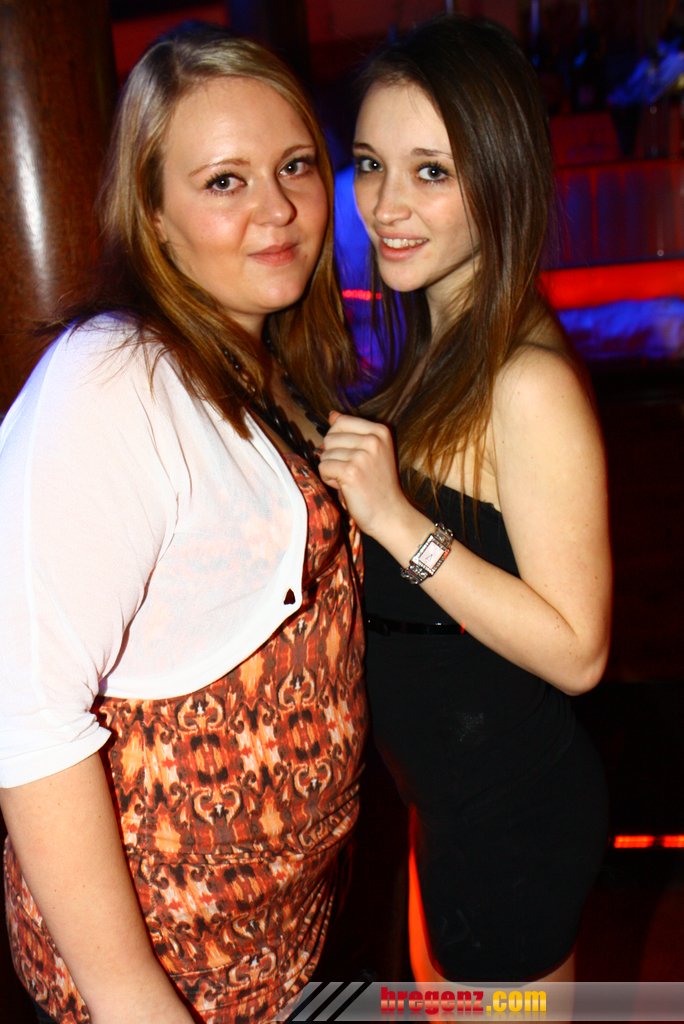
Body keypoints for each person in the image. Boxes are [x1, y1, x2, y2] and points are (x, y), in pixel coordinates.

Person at [0, 25, 367, 1024]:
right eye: (224, 181)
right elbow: (25, 714)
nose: (277, 208)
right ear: (154, 215)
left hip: (274, 957)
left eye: (295, 165)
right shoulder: (111, 380)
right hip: (163, 978)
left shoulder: (272, 362)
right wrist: (135, 1002)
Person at [320, 14, 611, 990]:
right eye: (371, 164)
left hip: (511, 823)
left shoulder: (527, 383)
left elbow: (579, 650)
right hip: (453, 806)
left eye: (432, 172)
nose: (387, 204)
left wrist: (396, 521)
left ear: (501, 177)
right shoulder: (436, 350)